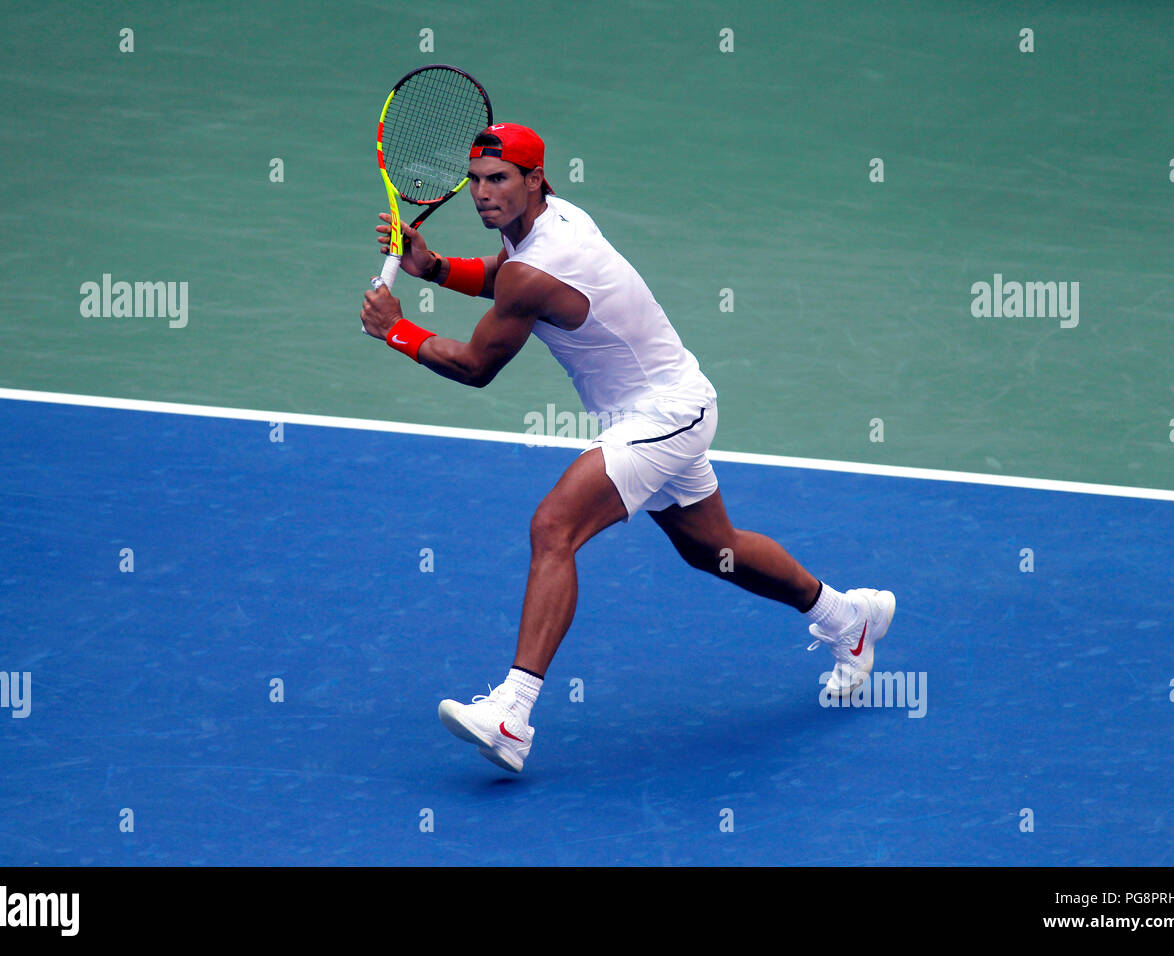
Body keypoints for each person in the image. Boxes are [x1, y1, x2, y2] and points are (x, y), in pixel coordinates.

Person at [361, 123, 895, 773]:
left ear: (534, 179)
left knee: (553, 526)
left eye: (497, 179)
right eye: (474, 181)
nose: (481, 194)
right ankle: (849, 618)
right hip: (667, 406)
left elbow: (477, 365)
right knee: (713, 549)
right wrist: (436, 269)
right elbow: (505, 276)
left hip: (664, 412)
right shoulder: (550, 222)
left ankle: (511, 714)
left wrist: (397, 332)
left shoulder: (538, 265)